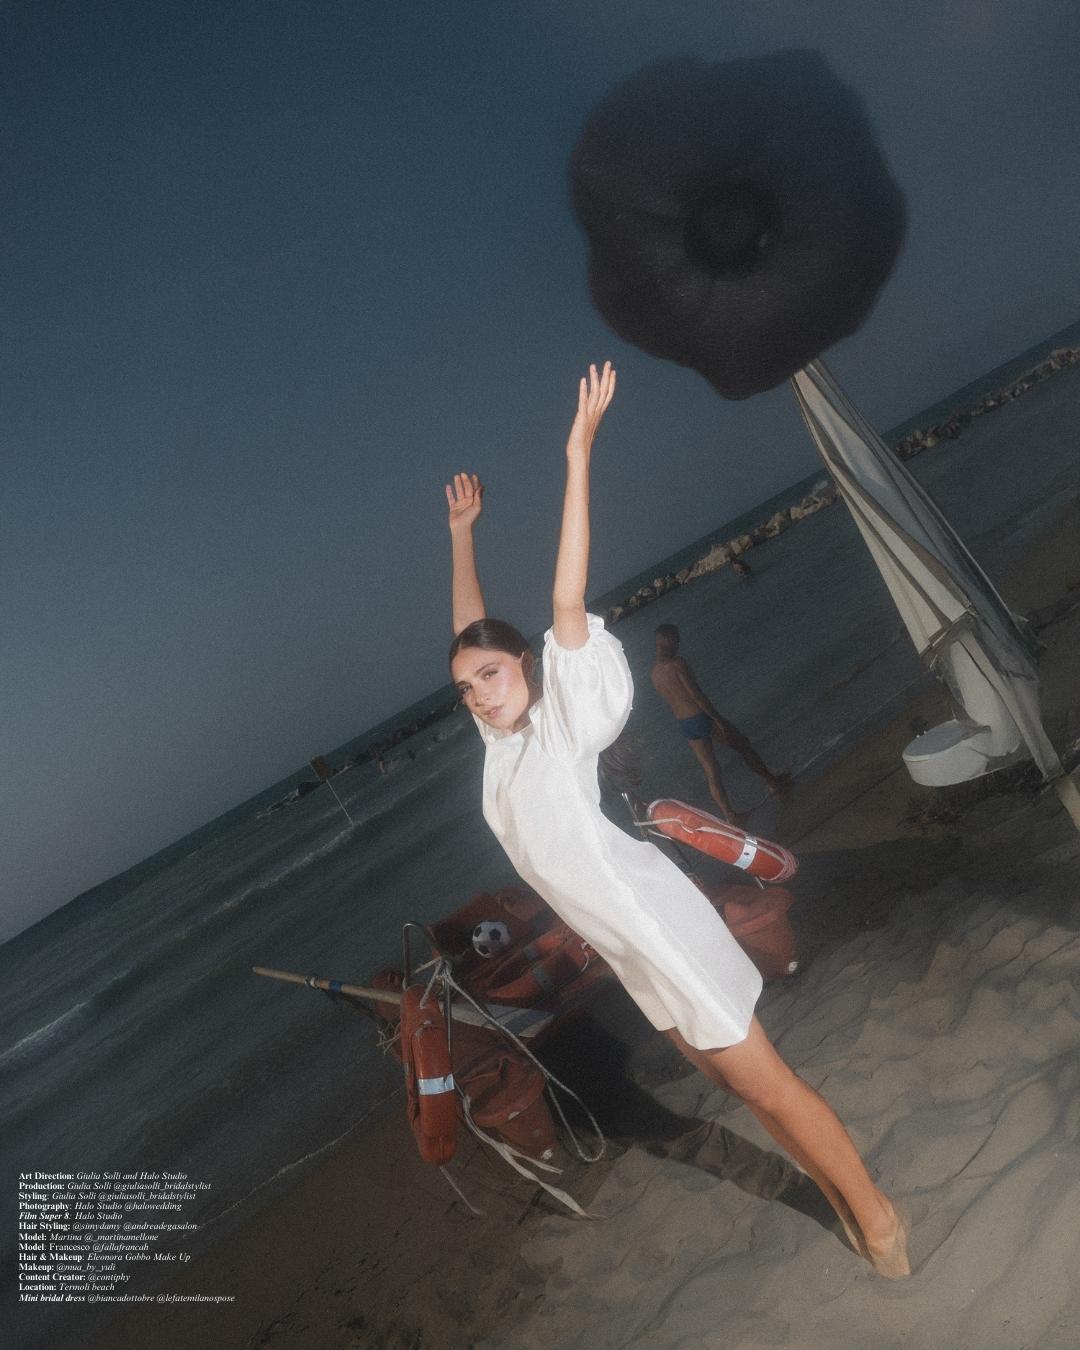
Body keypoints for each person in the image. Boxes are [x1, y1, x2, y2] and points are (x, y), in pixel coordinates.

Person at [443, 362, 909, 1277]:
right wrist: (462, 537)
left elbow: (564, 603)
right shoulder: (502, 749)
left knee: (765, 1082)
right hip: (626, 948)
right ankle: (845, 1197)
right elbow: (470, 639)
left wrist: (578, 455)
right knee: (736, 1087)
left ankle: (880, 1219)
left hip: (658, 926)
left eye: (492, 677)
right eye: (466, 690)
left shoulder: (558, 728)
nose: (479, 695)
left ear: (528, 667)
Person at [651, 623, 786, 822]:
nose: (678, 643)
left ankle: (729, 815)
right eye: (676, 639)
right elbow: (696, 695)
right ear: (666, 639)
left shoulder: (654, 673)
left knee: (711, 770)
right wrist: (717, 719)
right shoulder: (677, 664)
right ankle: (773, 782)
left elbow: (673, 700)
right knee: (743, 745)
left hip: (685, 724)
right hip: (700, 716)